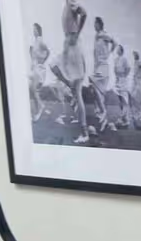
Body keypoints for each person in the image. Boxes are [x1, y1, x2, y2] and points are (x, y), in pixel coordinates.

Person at [53, 1, 93, 144]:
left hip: (73, 45)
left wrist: (77, 34)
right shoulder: (67, 4)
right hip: (68, 46)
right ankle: (85, 126)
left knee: (77, 92)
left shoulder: (71, 3)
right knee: (54, 66)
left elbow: (85, 14)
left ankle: (85, 132)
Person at [91, 16, 120, 133]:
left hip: (103, 66)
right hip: (98, 67)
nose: (94, 25)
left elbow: (115, 42)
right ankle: (103, 120)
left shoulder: (103, 34)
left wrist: (109, 52)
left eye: (95, 23)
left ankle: (102, 113)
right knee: (97, 92)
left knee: (93, 84)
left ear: (99, 24)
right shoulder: (96, 36)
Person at [29, 22, 55, 123]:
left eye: (34, 29)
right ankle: (37, 111)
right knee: (32, 89)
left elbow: (48, 51)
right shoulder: (35, 42)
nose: (33, 31)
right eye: (33, 29)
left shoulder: (40, 41)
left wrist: (43, 60)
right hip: (35, 68)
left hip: (40, 69)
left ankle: (40, 106)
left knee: (33, 89)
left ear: (38, 31)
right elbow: (34, 55)